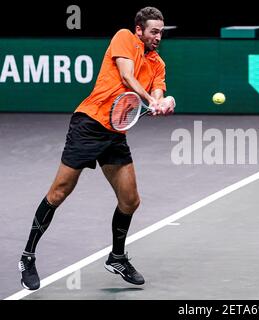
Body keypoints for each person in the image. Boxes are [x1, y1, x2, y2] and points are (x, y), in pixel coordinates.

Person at [18, 6, 174, 290]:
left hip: (115, 133)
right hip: (88, 124)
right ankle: (27, 256)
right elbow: (128, 77)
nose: (158, 37)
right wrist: (151, 101)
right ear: (140, 30)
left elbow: (156, 92)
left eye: (161, 32)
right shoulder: (125, 37)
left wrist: (163, 102)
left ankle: (117, 257)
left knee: (131, 200)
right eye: (154, 31)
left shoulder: (158, 64)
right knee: (59, 192)